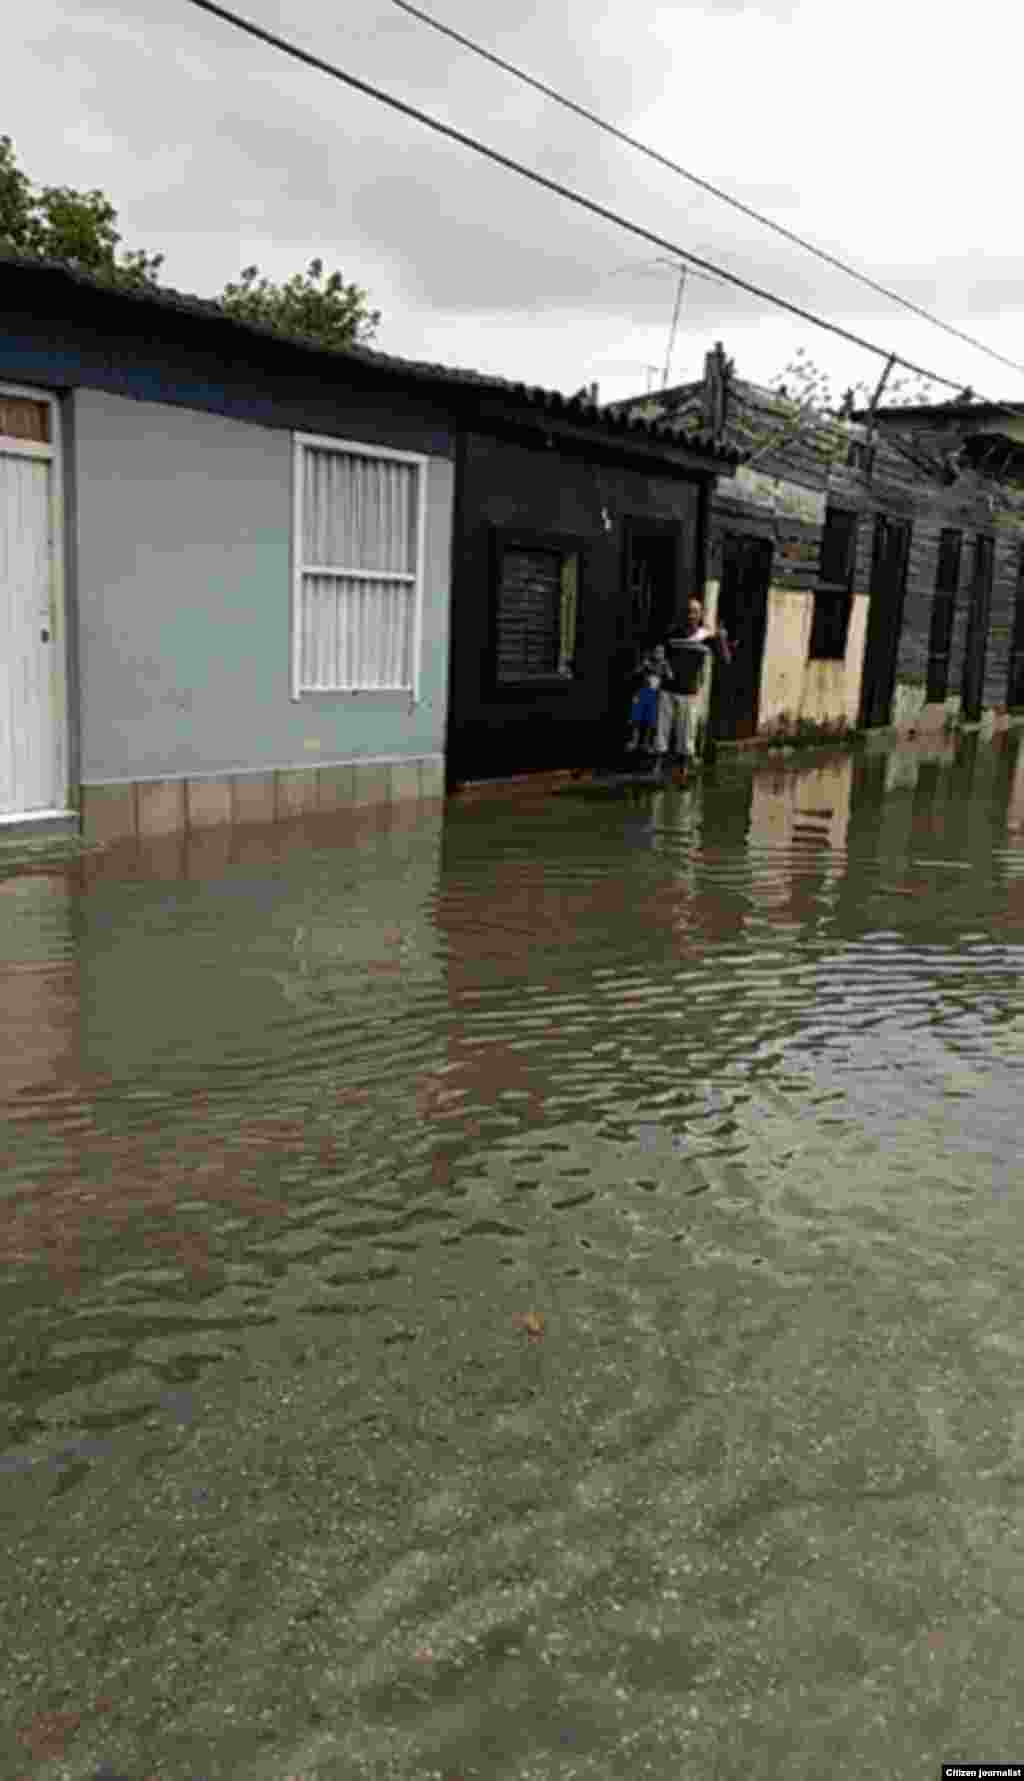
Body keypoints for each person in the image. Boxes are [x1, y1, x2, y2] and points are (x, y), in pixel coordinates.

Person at [655, 599, 732, 771]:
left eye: (695, 612)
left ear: (701, 615)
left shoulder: (706, 637)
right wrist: (663, 667)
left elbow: (725, 660)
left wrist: (722, 639)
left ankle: (683, 766)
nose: (691, 615)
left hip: (690, 691)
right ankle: (657, 764)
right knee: (661, 729)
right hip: (667, 688)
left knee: (686, 731)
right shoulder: (672, 634)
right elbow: (660, 656)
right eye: (688, 611)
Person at [625, 644, 671, 753]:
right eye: (656, 651)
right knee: (636, 720)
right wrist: (643, 665)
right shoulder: (647, 662)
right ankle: (634, 741)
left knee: (650, 722)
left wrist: (666, 667)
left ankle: (646, 744)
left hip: (654, 694)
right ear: (652, 652)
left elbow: (670, 677)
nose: (658, 654)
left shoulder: (664, 664)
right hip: (642, 692)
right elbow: (636, 672)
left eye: (661, 652)